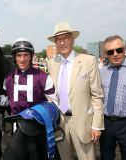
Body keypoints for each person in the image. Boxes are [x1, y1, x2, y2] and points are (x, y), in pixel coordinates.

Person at [47, 22, 104, 160]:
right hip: (60, 122)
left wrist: (97, 125)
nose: (62, 42)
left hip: (83, 123)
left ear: (73, 39)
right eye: (58, 40)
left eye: (65, 38)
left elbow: (97, 95)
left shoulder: (88, 61)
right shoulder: (52, 63)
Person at [0, 37, 58, 160]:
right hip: (17, 126)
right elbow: (9, 101)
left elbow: (53, 104)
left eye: (25, 55)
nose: (22, 59)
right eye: (19, 55)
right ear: (14, 57)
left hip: (38, 127)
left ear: (31, 56)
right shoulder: (8, 79)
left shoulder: (44, 77)